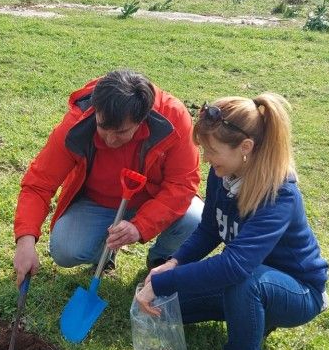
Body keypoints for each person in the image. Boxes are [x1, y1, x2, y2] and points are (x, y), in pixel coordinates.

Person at [136, 93, 329, 350]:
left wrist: (161, 282)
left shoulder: (279, 193)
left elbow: (235, 266)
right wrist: (172, 265)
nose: (207, 158)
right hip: (247, 278)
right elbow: (210, 229)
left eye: (212, 151)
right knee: (167, 305)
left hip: (297, 292)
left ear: (246, 148)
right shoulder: (223, 173)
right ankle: (252, 318)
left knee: (244, 281)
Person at [13, 70, 203, 286]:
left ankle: (161, 257)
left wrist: (141, 226)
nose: (111, 140)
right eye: (103, 127)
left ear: (142, 120)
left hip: (154, 200)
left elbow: (182, 185)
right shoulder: (77, 123)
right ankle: (104, 253)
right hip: (97, 202)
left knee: (195, 218)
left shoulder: (174, 118)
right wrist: (25, 240)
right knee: (65, 249)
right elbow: (38, 184)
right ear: (96, 110)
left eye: (121, 132)